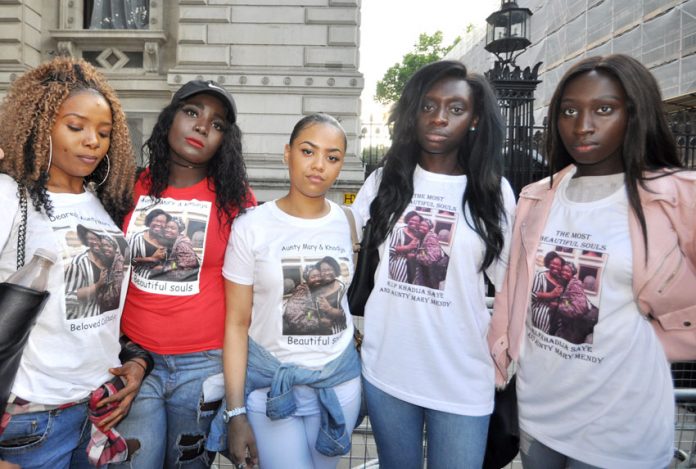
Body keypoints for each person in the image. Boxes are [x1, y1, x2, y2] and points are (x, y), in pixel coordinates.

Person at [488, 54, 696, 469]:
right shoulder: (535, 196)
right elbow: (514, 292)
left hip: (621, 420)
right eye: (569, 110)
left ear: (635, 113)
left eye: (604, 109)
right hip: (539, 409)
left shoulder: (677, 196)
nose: (582, 125)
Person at [351, 60, 516, 468]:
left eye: (455, 108)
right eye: (428, 105)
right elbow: (339, 244)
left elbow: (514, 286)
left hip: (462, 379)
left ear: (474, 118)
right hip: (387, 370)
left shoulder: (493, 194)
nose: (440, 117)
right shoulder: (384, 180)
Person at [0, 56, 146, 468]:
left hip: (96, 411)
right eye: (76, 127)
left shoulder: (102, 204)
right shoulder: (11, 197)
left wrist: (135, 361)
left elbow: (99, 309)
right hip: (33, 421)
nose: (92, 141)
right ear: (40, 124)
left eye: (104, 132)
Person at [114, 80, 256, 468]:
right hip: (135, 360)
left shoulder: (236, 198)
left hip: (204, 364)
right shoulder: (128, 187)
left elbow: (250, 289)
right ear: (169, 119)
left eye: (217, 123)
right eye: (192, 112)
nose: (202, 126)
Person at [222, 113, 361, 469]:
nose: (319, 166)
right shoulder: (251, 226)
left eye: (332, 157)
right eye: (308, 151)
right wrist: (235, 411)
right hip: (270, 388)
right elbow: (237, 324)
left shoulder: (348, 222)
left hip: (337, 384)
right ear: (287, 153)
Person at [283, 265, 331, 335]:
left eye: (319, 276)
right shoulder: (301, 293)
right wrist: (320, 322)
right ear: (307, 279)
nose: (317, 279)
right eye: (313, 277)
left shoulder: (319, 291)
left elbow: (310, 313)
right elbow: (295, 321)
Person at [529, 250, 565, 334]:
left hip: (554, 319)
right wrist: (550, 295)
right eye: (553, 264)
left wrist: (559, 304)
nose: (556, 267)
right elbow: (532, 295)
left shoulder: (560, 280)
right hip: (540, 316)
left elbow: (563, 299)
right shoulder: (540, 276)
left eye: (559, 265)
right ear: (548, 263)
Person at [314, 256, 348, 334]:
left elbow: (348, 313)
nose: (326, 273)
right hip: (321, 335)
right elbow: (309, 312)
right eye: (323, 270)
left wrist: (330, 310)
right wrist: (318, 321)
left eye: (329, 269)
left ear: (335, 270)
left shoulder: (343, 289)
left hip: (340, 333)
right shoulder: (316, 291)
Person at [388, 210, 422, 283]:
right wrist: (407, 247)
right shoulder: (398, 231)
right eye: (412, 220)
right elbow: (389, 249)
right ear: (407, 219)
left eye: (417, 221)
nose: (415, 223)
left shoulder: (418, 234)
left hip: (413, 265)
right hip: (399, 265)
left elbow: (416, 250)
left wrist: (415, 254)